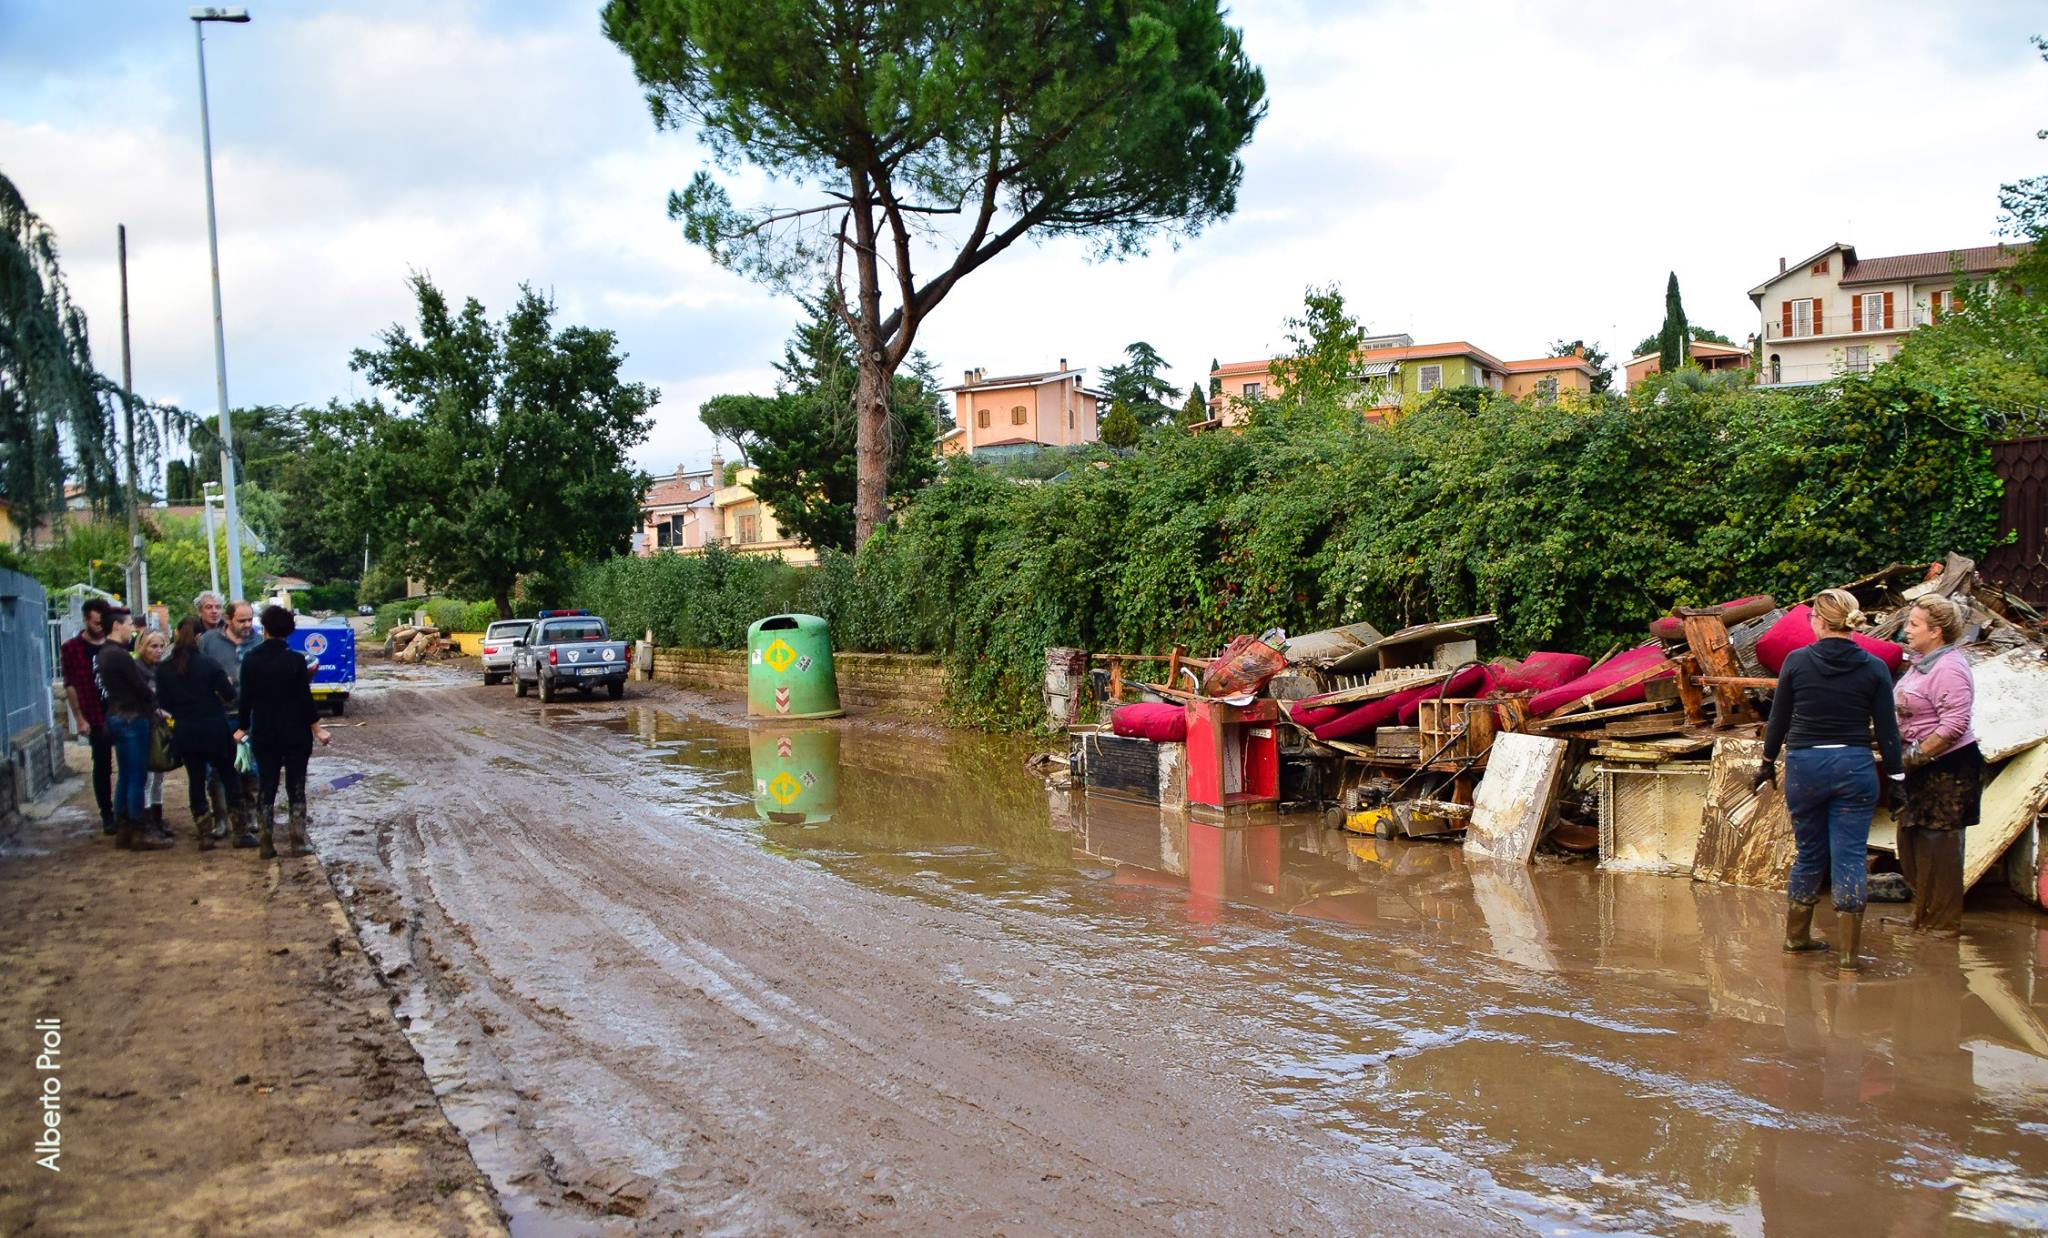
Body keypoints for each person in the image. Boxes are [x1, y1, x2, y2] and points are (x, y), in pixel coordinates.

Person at [1756, 587, 1905, 973]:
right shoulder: (1874, 667)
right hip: (1854, 766)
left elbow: (1778, 719)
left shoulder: (1796, 661)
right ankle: (1848, 957)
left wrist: (1766, 762)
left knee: (1809, 853)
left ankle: (1796, 938)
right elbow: (1887, 730)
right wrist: (1897, 777)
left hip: (1806, 766)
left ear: (1820, 621)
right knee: (1850, 855)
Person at [1891, 595, 1983, 935]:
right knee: (1911, 843)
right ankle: (1922, 916)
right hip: (1920, 767)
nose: (1907, 630)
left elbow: (1954, 725)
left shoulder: (1950, 667)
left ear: (1936, 632)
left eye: (1914, 624)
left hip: (1948, 769)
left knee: (1939, 850)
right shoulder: (1921, 663)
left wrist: (1912, 757)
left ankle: (1942, 926)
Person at [238, 605, 330, 858]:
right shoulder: (296, 661)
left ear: (264, 628)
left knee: (267, 785)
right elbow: (305, 699)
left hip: (264, 732)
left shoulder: (251, 659)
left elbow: (245, 699)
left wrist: (241, 727)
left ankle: (266, 843)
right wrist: (317, 729)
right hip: (295, 733)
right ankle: (297, 841)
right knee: (296, 785)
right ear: (289, 631)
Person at [156, 617, 250, 851]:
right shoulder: (209, 664)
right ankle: (241, 832)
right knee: (229, 777)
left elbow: (164, 702)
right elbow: (230, 695)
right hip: (214, 728)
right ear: (199, 638)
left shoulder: (164, 669)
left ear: (176, 634)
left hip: (186, 731)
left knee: (196, 781)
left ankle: (205, 833)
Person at [96, 608, 169, 851]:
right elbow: (139, 687)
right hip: (132, 717)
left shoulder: (105, 653)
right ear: (117, 625)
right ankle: (138, 830)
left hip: (116, 716)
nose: (131, 629)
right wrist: (155, 704)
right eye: (128, 624)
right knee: (137, 776)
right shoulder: (119, 655)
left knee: (126, 775)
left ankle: (124, 828)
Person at [59, 598, 117, 836]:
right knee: (102, 764)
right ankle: (107, 814)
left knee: (131, 762)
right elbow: (70, 684)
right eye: (95, 623)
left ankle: (128, 811)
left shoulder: (115, 644)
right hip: (93, 712)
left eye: (103, 623)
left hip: (120, 710)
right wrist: (79, 718)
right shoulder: (72, 648)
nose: (100, 627)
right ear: (85, 620)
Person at [135, 629, 172, 840]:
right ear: (142, 647)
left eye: (160, 646)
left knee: (159, 775)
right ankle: (147, 821)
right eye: (153, 646)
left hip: (161, 727)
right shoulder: (137, 670)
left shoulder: (161, 670)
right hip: (144, 726)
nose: (158, 651)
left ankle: (158, 818)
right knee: (148, 776)